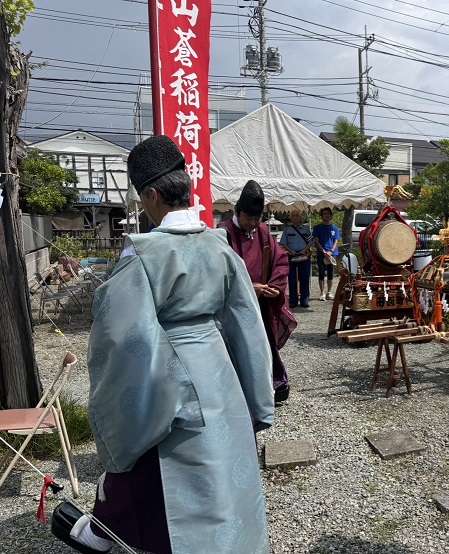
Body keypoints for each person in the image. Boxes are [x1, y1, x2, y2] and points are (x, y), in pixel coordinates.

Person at [50, 135, 275, 554]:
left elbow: (124, 337)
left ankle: (116, 535)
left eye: (142, 198)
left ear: (152, 194)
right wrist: (258, 399)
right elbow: (247, 322)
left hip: (166, 370)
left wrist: (123, 403)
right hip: (218, 371)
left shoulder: (144, 254)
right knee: (221, 463)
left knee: (157, 460)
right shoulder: (219, 245)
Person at [219, 180, 296, 403]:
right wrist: (246, 288)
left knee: (264, 344)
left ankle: (272, 386)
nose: (253, 224)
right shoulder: (223, 233)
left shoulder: (262, 231)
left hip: (261, 304)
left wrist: (275, 287)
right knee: (239, 348)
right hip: (234, 307)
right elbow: (218, 273)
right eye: (248, 218)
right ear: (236, 211)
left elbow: (280, 260)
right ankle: (241, 391)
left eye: (257, 218)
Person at [280, 209, 312, 308]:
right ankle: (293, 301)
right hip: (292, 255)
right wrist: (290, 251)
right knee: (292, 279)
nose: (295, 217)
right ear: (290, 218)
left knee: (305, 278)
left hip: (304, 255)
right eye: (293, 215)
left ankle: (304, 300)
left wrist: (305, 250)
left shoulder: (306, 229)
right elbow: (283, 243)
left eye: (297, 215)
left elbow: (311, 241)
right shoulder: (287, 230)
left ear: (301, 217)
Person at [313, 207, 340, 301]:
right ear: (321, 216)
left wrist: (331, 251)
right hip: (321, 254)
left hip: (332, 254)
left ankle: (329, 292)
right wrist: (324, 251)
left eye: (328, 213)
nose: (326, 215)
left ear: (331, 216)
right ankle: (322, 293)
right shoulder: (317, 228)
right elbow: (316, 241)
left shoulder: (335, 228)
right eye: (324, 213)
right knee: (321, 273)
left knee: (331, 273)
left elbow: (336, 241)